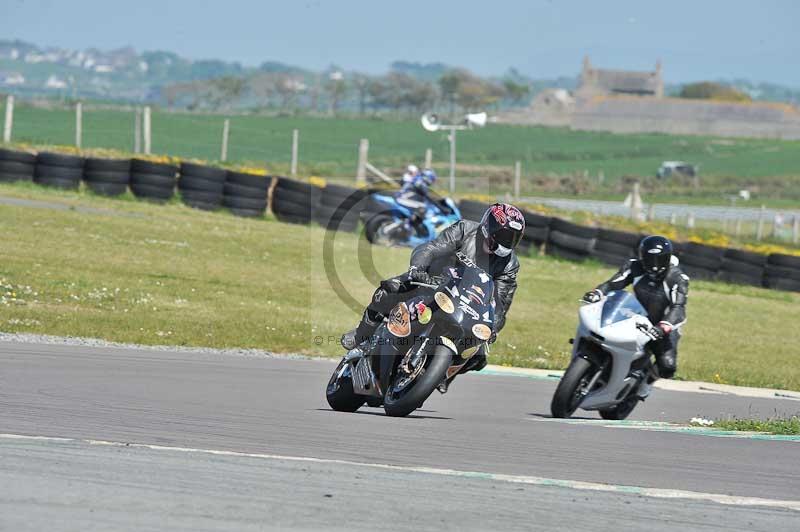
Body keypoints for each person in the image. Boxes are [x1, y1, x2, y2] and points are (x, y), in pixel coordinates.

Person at [341, 203, 526, 390]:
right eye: (504, 235)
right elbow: (432, 248)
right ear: (488, 227)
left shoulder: (509, 265)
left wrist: (494, 326)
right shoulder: (465, 230)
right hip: (431, 283)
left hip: (465, 304)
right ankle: (361, 335)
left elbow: (501, 301)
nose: (507, 242)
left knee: (478, 355)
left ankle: (440, 376)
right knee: (388, 291)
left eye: (513, 238)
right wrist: (418, 269)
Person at [582, 235, 689, 380]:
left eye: (658, 259)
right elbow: (613, 284)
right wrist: (597, 293)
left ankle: (645, 385)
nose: (653, 264)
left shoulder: (677, 278)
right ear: (642, 256)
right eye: (648, 259)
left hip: (662, 325)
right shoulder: (634, 266)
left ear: (667, 258)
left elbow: (678, 308)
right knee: (602, 336)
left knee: (667, 366)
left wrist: (663, 326)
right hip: (636, 317)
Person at [394, 168, 439, 235]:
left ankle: (411, 226)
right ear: (428, 177)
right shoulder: (420, 182)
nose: (432, 181)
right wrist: (438, 204)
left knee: (422, 206)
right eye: (432, 179)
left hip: (405, 198)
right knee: (422, 208)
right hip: (402, 198)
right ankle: (407, 225)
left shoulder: (418, 180)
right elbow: (427, 195)